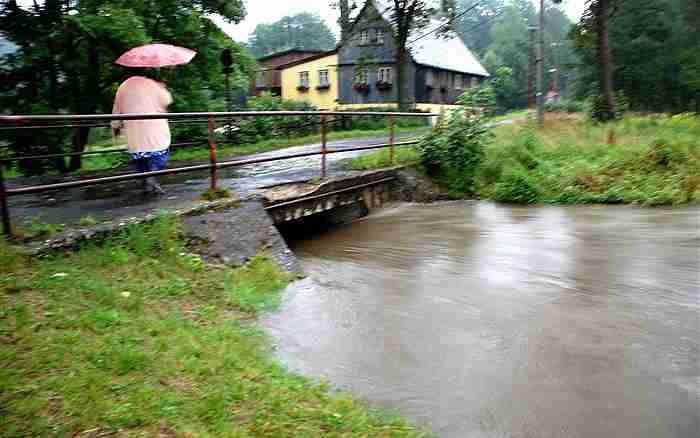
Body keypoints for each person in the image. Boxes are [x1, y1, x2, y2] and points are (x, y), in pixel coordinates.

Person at [112, 70, 173, 195]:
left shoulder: (123, 86)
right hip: (154, 130)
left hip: (134, 133)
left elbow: (117, 110)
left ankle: (146, 182)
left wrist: (115, 126)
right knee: (160, 156)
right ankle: (152, 178)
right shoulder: (153, 84)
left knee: (140, 158)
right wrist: (162, 87)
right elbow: (167, 100)